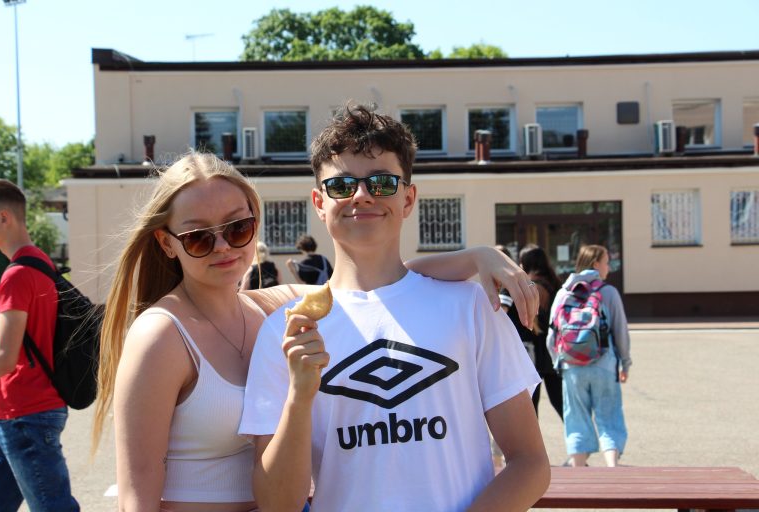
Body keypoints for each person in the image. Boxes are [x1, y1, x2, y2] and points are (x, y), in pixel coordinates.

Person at [90, 151, 540, 510]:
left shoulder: (270, 308)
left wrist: (477, 256)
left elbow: (376, 284)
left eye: (238, 228)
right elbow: (136, 495)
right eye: (198, 237)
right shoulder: (160, 335)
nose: (223, 247)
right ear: (167, 243)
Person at [240, 104, 550, 512]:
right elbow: (277, 504)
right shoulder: (286, 333)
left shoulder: (471, 306)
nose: (362, 195)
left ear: (408, 198)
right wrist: (299, 397)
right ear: (319, 202)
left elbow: (530, 464)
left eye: (382, 182)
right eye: (341, 185)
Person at [0, 179, 79, 511]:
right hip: (20, 411)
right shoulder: (41, 263)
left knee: (53, 507)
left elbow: (4, 358)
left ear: (4, 217)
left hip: (24, 413)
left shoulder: (16, 275)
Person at [546, 244, 632, 468]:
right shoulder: (608, 292)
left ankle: (578, 473)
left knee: (576, 420)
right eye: (606, 262)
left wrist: (560, 363)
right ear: (595, 264)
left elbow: (551, 336)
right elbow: (620, 331)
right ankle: (612, 468)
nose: (609, 268)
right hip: (604, 365)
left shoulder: (564, 292)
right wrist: (625, 363)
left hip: (571, 367)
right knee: (609, 418)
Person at [508, 244, 564, 420]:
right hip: (554, 352)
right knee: (562, 403)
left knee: (531, 407)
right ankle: (580, 436)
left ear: (525, 263)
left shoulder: (527, 287)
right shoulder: (556, 286)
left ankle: (533, 440)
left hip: (531, 353)